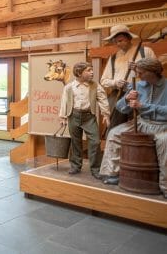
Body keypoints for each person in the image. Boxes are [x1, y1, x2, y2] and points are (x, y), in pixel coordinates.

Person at [99, 58, 167, 198]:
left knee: (165, 143)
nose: (139, 75)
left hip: (163, 126)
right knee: (114, 133)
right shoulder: (138, 85)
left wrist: (143, 106)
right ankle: (112, 173)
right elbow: (120, 108)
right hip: (141, 122)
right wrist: (127, 99)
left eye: (141, 73)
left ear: (152, 72)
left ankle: (165, 186)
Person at [58, 62, 110, 179]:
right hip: (74, 116)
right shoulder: (69, 87)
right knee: (76, 142)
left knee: (95, 142)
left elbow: (102, 99)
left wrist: (106, 114)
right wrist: (62, 117)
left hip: (89, 117)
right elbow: (64, 102)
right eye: (88, 70)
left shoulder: (95, 86)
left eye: (92, 70)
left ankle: (96, 169)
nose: (92, 72)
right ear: (79, 73)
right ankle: (76, 166)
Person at [100, 24, 156, 130]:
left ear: (129, 38)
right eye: (115, 41)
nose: (118, 44)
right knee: (114, 127)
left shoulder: (145, 52)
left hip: (141, 95)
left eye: (121, 40)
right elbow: (103, 81)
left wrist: (139, 69)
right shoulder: (113, 58)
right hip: (118, 95)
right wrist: (115, 83)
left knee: (138, 127)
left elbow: (156, 74)